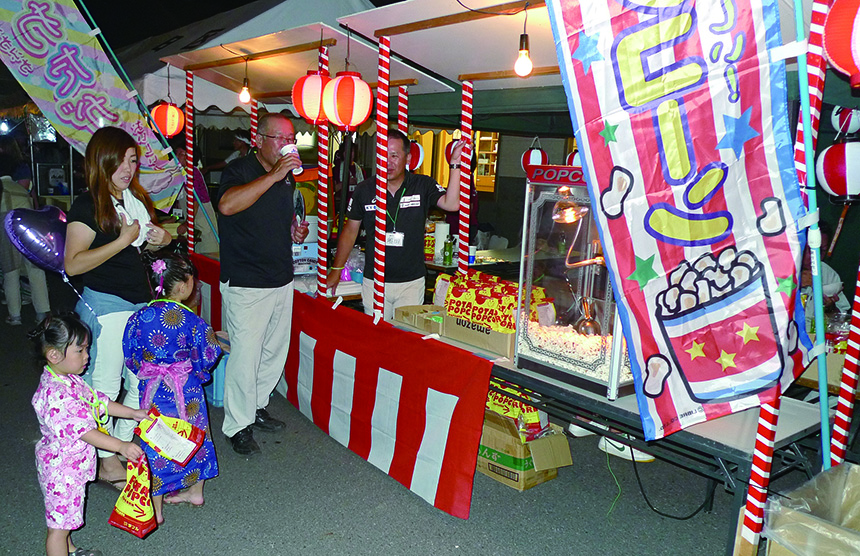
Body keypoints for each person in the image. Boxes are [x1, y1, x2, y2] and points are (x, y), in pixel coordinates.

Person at [64, 126, 172, 487]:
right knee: (105, 387)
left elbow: (146, 241)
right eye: (121, 161)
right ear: (102, 161)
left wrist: (161, 237)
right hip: (107, 303)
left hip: (139, 303)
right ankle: (106, 460)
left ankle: (119, 445)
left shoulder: (132, 199)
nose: (128, 168)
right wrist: (123, 240)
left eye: (133, 161)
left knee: (138, 380)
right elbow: (73, 264)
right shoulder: (87, 204)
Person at [217, 112, 308, 456]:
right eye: (281, 139)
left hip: (280, 277)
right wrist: (273, 175)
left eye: (290, 139)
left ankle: (255, 405)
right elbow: (227, 206)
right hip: (246, 281)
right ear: (259, 140)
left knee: (273, 351)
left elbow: (271, 220)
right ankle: (237, 425)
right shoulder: (239, 170)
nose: (288, 145)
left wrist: (293, 232)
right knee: (246, 355)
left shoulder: (287, 178)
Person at [30, 313, 146, 556]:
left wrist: (132, 412)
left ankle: (70, 550)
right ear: (54, 355)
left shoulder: (68, 379)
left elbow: (98, 402)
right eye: (80, 350)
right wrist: (121, 446)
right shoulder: (56, 395)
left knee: (67, 518)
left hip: (72, 468)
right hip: (62, 472)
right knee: (57, 529)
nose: (87, 356)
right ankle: (61, 549)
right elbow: (85, 432)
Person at [326, 129, 468, 319]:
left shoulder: (421, 184)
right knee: (377, 340)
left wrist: (455, 164)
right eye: (384, 155)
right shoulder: (365, 189)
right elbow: (350, 232)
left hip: (411, 282)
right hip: (375, 280)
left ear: (407, 158)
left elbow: (452, 204)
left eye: (394, 155)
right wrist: (336, 270)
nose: (388, 162)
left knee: (405, 340)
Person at [123, 252, 222, 524]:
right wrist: (197, 373)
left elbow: (131, 354)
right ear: (181, 286)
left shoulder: (139, 317)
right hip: (186, 388)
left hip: (154, 389)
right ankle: (195, 492)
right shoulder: (191, 319)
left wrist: (147, 371)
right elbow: (209, 352)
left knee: (157, 442)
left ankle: (156, 510)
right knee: (194, 435)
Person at [0, 136, 50, 325]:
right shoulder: (20, 188)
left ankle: (15, 316)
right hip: (29, 228)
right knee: (35, 269)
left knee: (10, 271)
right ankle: (42, 313)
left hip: (6, 231)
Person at [168, 136, 219, 254]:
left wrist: (187, 224)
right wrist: (173, 218)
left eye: (180, 153)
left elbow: (195, 201)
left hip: (202, 221)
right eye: (177, 153)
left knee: (207, 256)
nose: (177, 156)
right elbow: (180, 202)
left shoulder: (193, 173)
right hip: (193, 223)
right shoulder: (181, 174)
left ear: (188, 156)